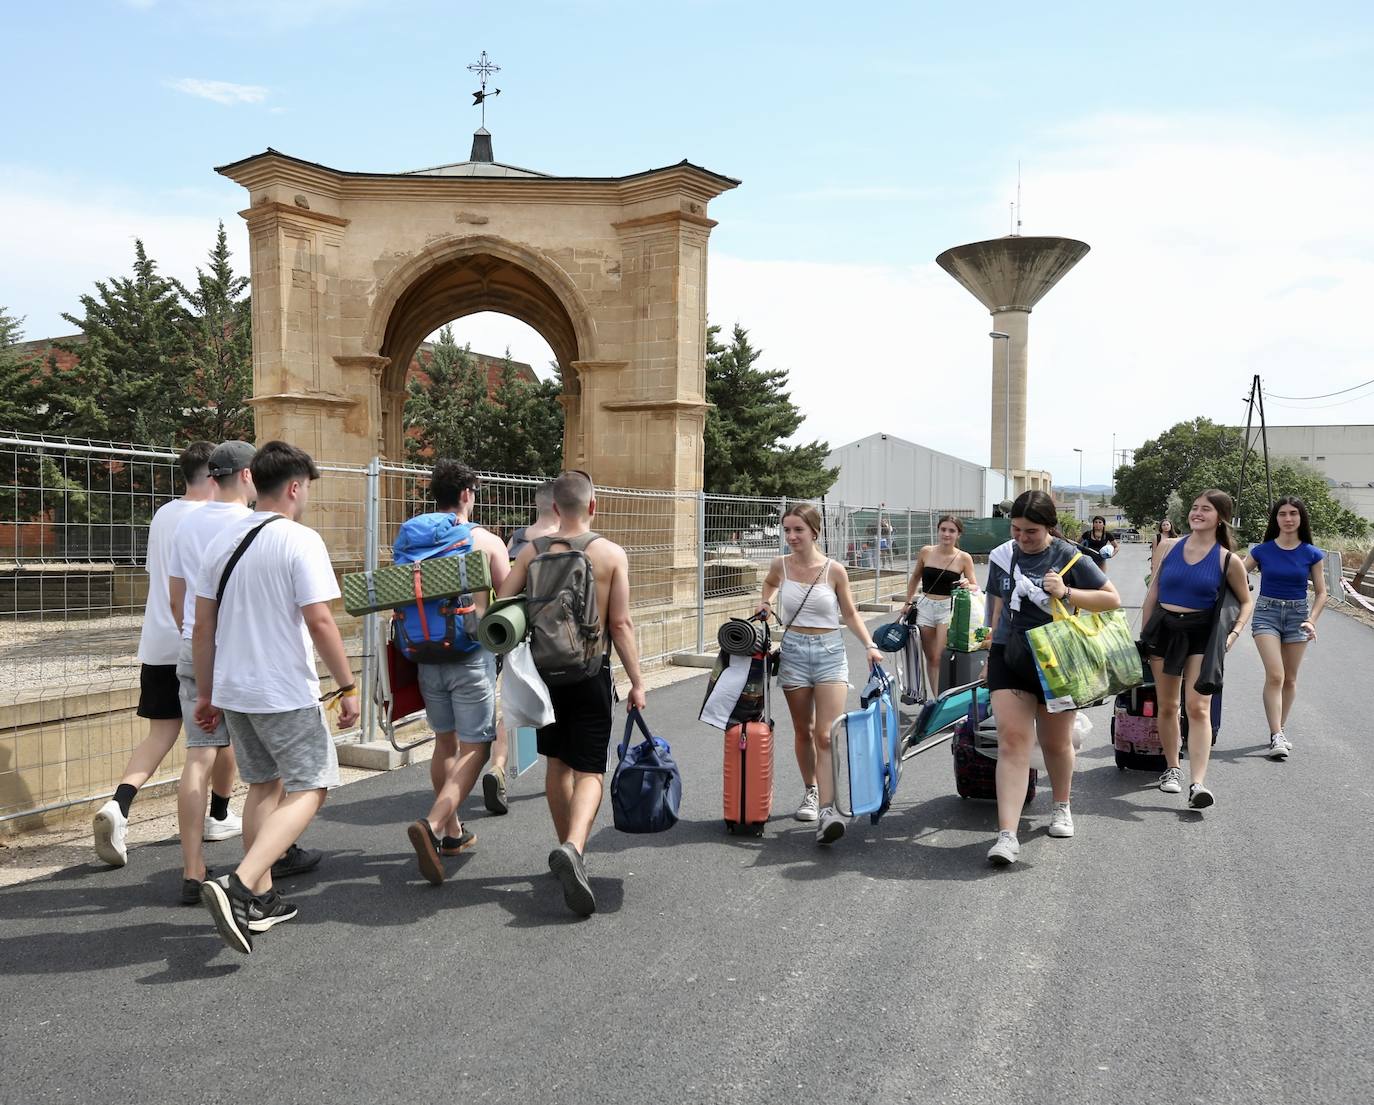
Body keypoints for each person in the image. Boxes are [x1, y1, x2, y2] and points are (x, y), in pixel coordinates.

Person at [194, 441, 358, 954]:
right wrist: (348, 685)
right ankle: (240, 883)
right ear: (293, 487)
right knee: (313, 785)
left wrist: (206, 691)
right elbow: (320, 619)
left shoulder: (219, 541)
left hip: (234, 687)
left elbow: (203, 626)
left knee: (264, 787)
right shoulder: (300, 540)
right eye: (305, 488)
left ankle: (260, 900)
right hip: (282, 687)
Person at [496, 469, 646, 917]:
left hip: (545, 675)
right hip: (590, 673)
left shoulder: (529, 551)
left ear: (555, 509)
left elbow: (504, 606)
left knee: (557, 764)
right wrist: (637, 682)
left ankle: (566, 848)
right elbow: (619, 625)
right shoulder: (609, 554)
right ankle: (575, 848)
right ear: (593, 506)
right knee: (590, 772)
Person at [93, 442, 224, 868]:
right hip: (198, 642)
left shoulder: (164, 514)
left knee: (160, 736)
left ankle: (119, 805)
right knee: (218, 739)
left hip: (157, 641)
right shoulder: (211, 520)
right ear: (213, 474)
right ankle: (219, 815)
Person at [983, 491, 1120, 866]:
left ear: (1048, 527)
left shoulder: (1070, 556)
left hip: (1057, 659)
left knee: (1056, 743)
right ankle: (1007, 835)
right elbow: (995, 605)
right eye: (1016, 529)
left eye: (1031, 531)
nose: (1022, 538)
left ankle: (1062, 805)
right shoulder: (1002, 555)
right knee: (1012, 741)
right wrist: (987, 647)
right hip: (1009, 655)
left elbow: (1112, 599)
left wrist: (1067, 591)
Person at [401, 460, 512, 883]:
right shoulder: (484, 540)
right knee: (477, 747)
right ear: (467, 493)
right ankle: (432, 826)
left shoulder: (411, 539)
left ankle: (453, 832)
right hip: (470, 654)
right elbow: (507, 593)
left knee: (443, 743)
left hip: (426, 655)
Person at [757, 504, 884, 846]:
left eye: (798, 529)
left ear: (814, 531)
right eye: (787, 530)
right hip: (794, 651)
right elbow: (768, 585)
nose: (791, 537)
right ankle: (811, 791)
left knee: (826, 735)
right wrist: (766, 603)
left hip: (830, 652)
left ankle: (828, 811)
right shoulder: (780, 565)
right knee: (804, 730)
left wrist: (870, 646)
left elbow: (851, 614)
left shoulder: (834, 571)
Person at [166, 441, 256, 904]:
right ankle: (262, 863)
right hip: (241, 652)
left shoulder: (185, 523)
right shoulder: (254, 524)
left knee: (198, 756)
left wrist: (194, 635)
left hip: (192, 646)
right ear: (244, 476)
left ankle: (192, 868)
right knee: (265, 762)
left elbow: (176, 599)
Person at [1140, 489, 1253, 811]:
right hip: (1163, 631)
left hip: (1203, 635)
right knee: (1167, 705)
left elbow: (1245, 602)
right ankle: (1172, 768)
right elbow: (1153, 593)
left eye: (1206, 509)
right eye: (1194, 507)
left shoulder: (1227, 559)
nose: (1197, 513)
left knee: (1199, 708)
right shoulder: (1168, 547)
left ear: (1221, 517)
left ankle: (1198, 782)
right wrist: (1145, 635)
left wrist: (1232, 636)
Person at [482, 479, 561, 812]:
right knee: (561, 704)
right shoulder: (568, 542)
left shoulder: (516, 539)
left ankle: (497, 767)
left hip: (517, 636)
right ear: (563, 505)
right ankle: (561, 775)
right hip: (557, 638)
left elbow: (504, 591)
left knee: (513, 706)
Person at [1244, 496, 1326, 760]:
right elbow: (1235, 573)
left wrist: (1311, 620)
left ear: (1301, 518)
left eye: (1293, 513)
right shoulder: (1262, 551)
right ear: (1275, 519)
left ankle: (1280, 729)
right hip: (1266, 614)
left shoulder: (1311, 553)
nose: (1288, 519)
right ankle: (1276, 734)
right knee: (1276, 675)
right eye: (1282, 514)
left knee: (1290, 678)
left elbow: (1323, 593)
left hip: (1298, 616)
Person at [899, 516, 978, 695]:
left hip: (947, 608)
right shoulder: (926, 552)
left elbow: (975, 586)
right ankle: (935, 699)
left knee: (940, 656)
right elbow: (915, 578)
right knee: (931, 658)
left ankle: (943, 696)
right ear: (938, 530)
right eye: (943, 529)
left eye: (951, 531)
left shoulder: (964, 558)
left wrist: (967, 583)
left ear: (958, 534)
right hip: (925, 606)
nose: (946, 534)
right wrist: (908, 601)